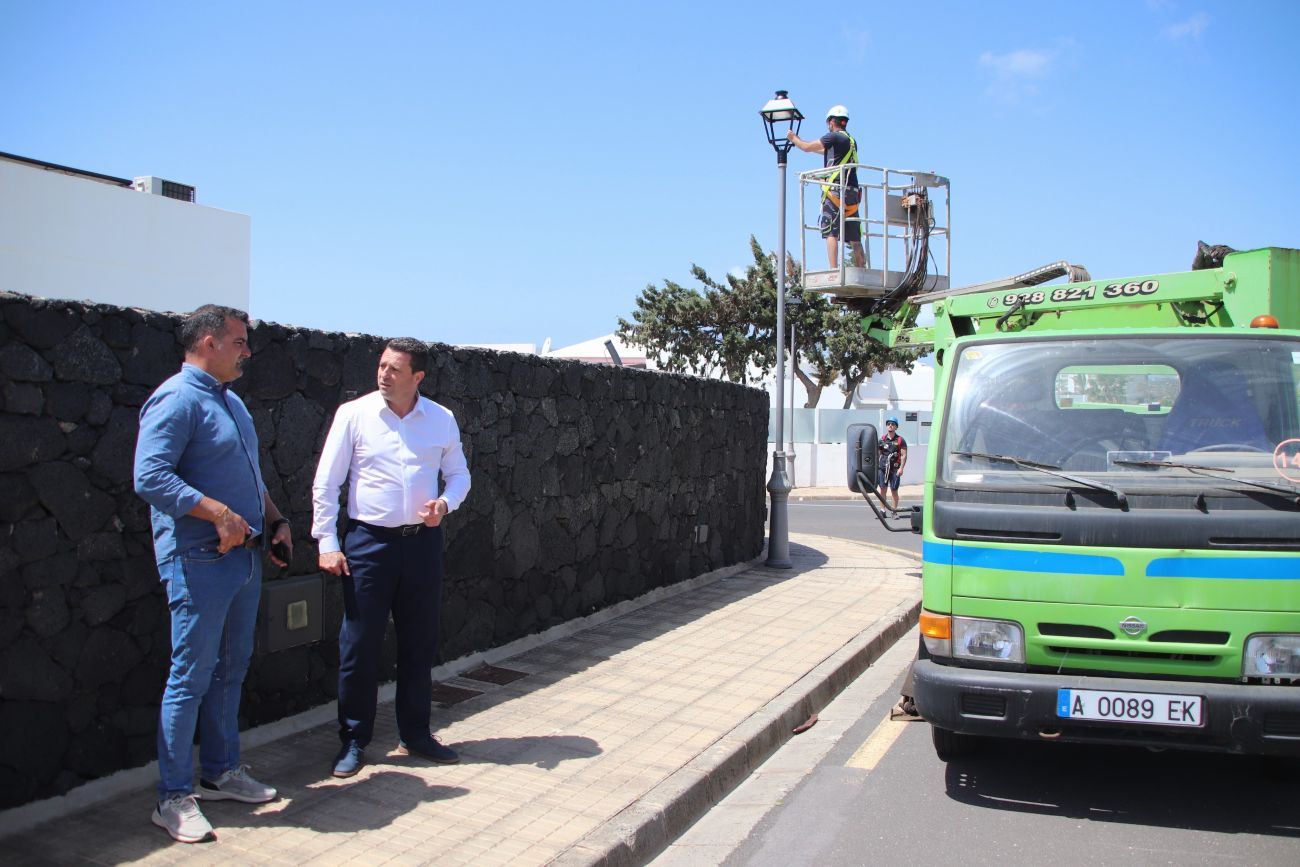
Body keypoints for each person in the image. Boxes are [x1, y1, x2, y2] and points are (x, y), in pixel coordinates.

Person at [134, 304, 291, 843]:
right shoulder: (176, 399)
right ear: (207, 342)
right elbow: (149, 476)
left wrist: (275, 520)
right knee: (190, 677)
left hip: (244, 558)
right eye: (239, 341)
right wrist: (217, 513)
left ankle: (221, 772)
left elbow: (250, 475)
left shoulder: (232, 403)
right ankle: (173, 797)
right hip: (199, 559)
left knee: (230, 669)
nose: (247, 350)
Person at [312, 337, 472, 779]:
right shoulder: (355, 415)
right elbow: (327, 483)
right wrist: (327, 542)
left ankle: (416, 734)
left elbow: (459, 475)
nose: (384, 374)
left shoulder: (441, 419)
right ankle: (353, 739)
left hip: (421, 544)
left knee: (419, 642)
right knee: (359, 644)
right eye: (381, 366)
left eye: (395, 369)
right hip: (368, 543)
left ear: (417, 377)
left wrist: (444, 504)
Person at [787, 104, 867, 270]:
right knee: (854, 236)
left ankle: (833, 269)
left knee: (831, 231)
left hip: (836, 191)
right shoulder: (850, 141)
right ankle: (861, 267)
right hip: (852, 193)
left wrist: (794, 138)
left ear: (831, 122)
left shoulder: (833, 137)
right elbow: (825, 152)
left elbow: (807, 148)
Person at [877, 416, 907, 513]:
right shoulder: (882, 439)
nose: (890, 425)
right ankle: (882, 510)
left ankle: (894, 511)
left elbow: (903, 455)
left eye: (893, 424)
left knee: (894, 490)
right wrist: (876, 466)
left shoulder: (900, 440)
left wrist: (901, 468)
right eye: (889, 424)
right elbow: (878, 454)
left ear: (896, 427)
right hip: (883, 468)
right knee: (882, 489)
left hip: (894, 469)